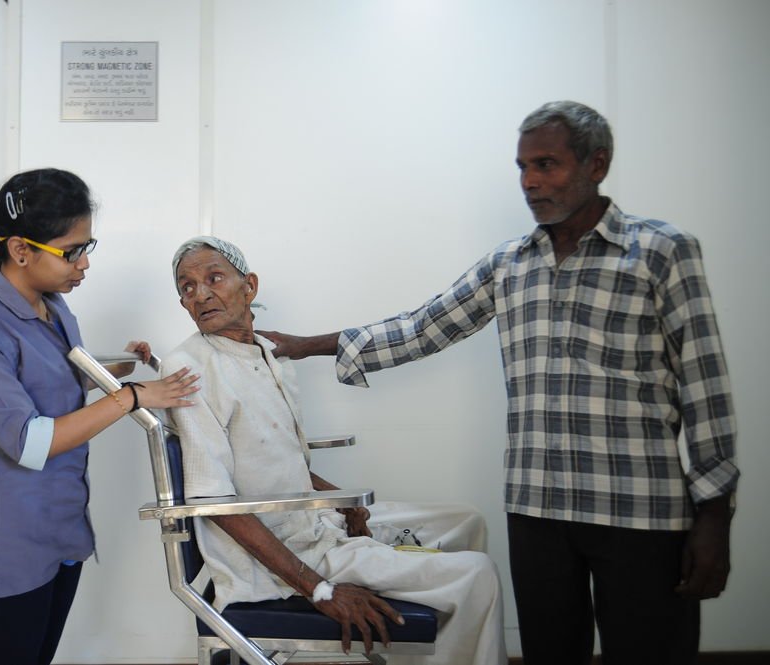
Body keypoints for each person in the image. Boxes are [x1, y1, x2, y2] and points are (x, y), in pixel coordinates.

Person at [260, 101, 739, 665]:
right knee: (550, 653)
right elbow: (422, 329)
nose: (530, 182)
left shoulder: (662, 251)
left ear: (597, 164)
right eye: (523, 167)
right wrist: (304, 345)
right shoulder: (510, 263)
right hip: (539, 508)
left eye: (546, 164)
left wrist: (714, 516)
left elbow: (705, 386)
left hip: (640, 508)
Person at [161, 236, 507, 665]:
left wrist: (341, 502)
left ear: (249, 286)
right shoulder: (189, 367)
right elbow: (214, 501)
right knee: (478, 577)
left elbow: (272, 460)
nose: (201, 294)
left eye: (214, 278)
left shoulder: (267, 352)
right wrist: (319, 589)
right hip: (287, 555)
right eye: (188, 287)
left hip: (316, 520)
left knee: (467, 521)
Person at [0, 168, 199, 665]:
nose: (85, 263)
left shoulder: (52, 307)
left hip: (61, 529)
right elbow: (32, 441)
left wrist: (116, 369)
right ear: (20, 250)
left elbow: (51, 382)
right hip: (7, 539)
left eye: (87, 247)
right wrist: (133, 396)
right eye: (72, 251)